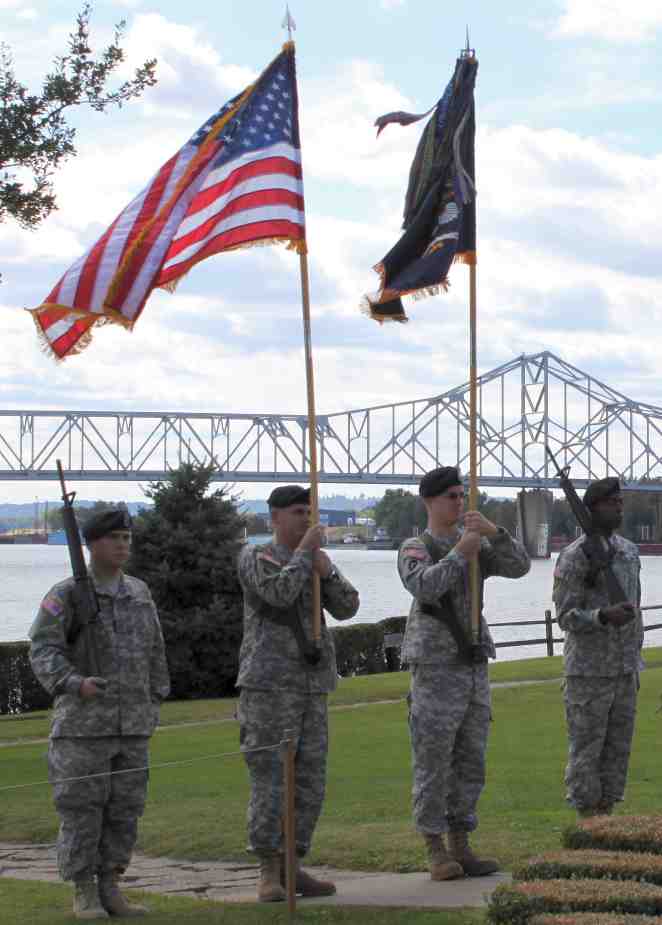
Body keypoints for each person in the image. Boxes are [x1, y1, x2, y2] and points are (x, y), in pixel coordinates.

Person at [29, 508, 170, 920]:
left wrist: (155, 699)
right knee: (82, 812)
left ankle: (111, 886)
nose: (123, 545)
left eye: (127, 538)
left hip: (132, 727)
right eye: (114, 539)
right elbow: (42, 649)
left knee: (125, 812)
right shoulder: (67, 594)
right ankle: (83, 891)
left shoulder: (139, 592)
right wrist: (75, 683)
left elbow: (155, 651)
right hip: (83, 729)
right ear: (91, 545)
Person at [398, 466, 530, 880]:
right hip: (436, 666)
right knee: (434, 760)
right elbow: (425, 586)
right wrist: (461, 553)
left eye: (461, 495)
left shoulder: (473, 542)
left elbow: (519, 566)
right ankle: (436, 848)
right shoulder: (415, 546)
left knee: (471, 760)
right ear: (430, 501)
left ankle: (462, 843)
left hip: (472, 664)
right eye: (451, 496)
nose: (458, 502)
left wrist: (494, 533)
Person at [237, 485, 360, 902]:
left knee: (310, 782)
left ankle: (294, 864)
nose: (305, 518)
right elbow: (276, 593)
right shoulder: (257, 557)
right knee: (273, 779)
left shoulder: (315, 561)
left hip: (312, 687)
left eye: (308, 511)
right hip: (270, 686)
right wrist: (304, 555)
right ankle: (269, 869)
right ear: (273, 518)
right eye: (296, 512)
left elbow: (348, 607)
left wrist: (328, 572)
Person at [553, 477, 643, 819]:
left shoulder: (629, 551)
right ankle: (588, 824)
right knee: (586, 754)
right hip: (589, 674)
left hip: (624, 670)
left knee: (617, 754)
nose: (619, 507)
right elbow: (565, 615)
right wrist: (602, 616)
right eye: (611, 502)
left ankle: (608, 821)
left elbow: (636, 607)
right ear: (592, 508)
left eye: (620, 501)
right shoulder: (575, 556)